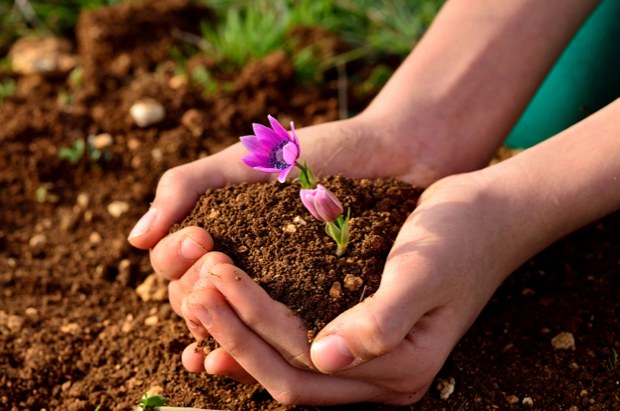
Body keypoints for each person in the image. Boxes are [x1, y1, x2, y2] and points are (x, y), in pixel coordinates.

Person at [128, 0, 620, 405]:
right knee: (559, 101)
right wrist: (416, 127)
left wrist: (512, 207)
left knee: (570, 109)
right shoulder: (299, 175)